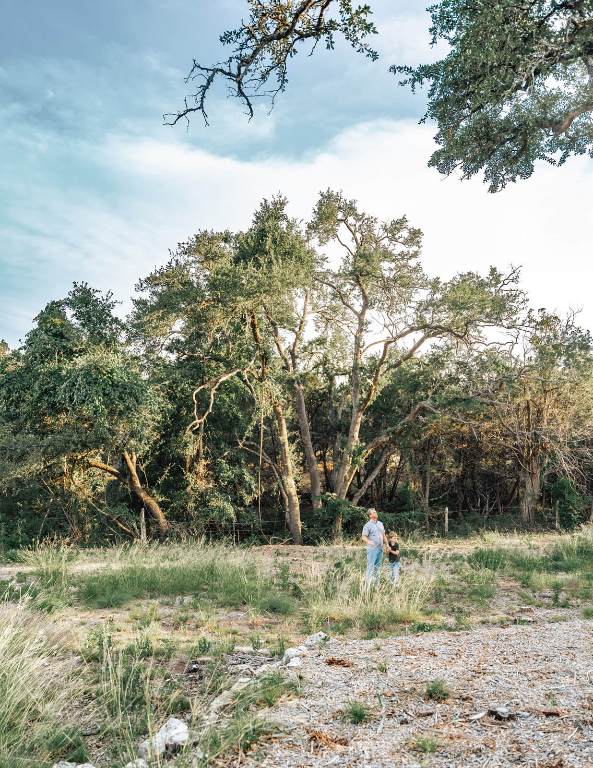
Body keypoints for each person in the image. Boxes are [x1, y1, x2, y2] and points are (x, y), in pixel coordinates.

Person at [362, 508, 388, 585]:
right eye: (374, 512)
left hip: (380, 548)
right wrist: (370, 542)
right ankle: (368, 586)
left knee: (378, 568)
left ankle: (377, 586)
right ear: (370, 515)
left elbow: (383, 535)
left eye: (376, 512)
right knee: (370, 567)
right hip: (372, 549)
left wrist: (387, 545)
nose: (376, 513)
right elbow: (363, 537)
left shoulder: (380, 523)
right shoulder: (367, 525)